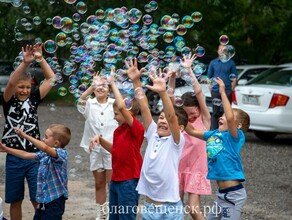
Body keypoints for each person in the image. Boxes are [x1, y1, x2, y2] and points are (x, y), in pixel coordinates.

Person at [125, 58, 188, 219]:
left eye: (165, 119)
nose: (162, 121)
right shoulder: (152, 133)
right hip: (149, 207)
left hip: (170, 209)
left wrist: (163, 92)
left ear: (180, 129)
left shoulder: (176, 142)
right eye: (160, 117)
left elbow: (172, 117)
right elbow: (144, 106)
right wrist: (136, 81)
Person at [1, 43, 56, 220]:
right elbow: (10, 82)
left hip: (35, 157)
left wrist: (40, 58)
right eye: (20, 87)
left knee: (37, 199)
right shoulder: (8, 101)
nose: (24, 90)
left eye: (27, 87)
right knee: (15, 200)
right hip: (14, 158)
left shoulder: (34, 99)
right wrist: (25, 63)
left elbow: (51, 80)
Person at [185, 77, 250, 220]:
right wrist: (177, 111)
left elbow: (231, 118)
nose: (221, 117)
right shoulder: (213, 134)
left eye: (225, 115)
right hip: (221, 194)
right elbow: (191, 131)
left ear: (237, 126)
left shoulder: (235, 137)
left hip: (233, 194)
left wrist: (222, 92)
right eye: (221, 115)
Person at [90, 72, 144, 220]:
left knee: (127, 217)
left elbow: (121, 106)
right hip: (116, 179)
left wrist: (112, 83)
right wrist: (100, 140)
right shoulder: (118, 130)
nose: (114, 116)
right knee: (113, 217)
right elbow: (115, 150)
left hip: (129, 181)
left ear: (129, 113)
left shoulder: (136, 128)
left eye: (117, 114)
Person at [169, 54, 212, 220]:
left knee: (193, 209)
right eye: (186, 114)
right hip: (178, 169)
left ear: (199, 108)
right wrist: (172, 78)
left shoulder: (205, 120)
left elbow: (199, 93)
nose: (190, 117)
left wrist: (188, 70)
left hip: (196, 171)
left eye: (192, 112)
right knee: (175, 208)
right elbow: (170, 100)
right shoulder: (182, 122)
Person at [0, 124, 71, 220]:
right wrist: (6, 149)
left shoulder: (62, 154)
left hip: (55, 203)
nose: (42, 139)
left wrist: (25, 136)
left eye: (46, 137)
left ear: (56, 143)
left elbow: (45, 148)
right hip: (43, 202)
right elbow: (26, 155)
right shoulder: (44, 154)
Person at [79, 73, 118, 219]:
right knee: (99, 183)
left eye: (104, 85)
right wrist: (91, 87)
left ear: (109, 89)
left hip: (112, 149)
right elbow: (80, 101)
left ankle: (113, 213)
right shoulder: (89, 104)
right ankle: (101, 214)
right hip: (95, 150)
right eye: (97, 85)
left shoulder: (114, 104)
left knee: (112, 183)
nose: (100, 88)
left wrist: (112, 82)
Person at [207, 44, 237, 130]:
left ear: (226, 51)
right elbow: (209, 76)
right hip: (216, 90)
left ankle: (226, 130)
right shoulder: (213, 62)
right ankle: (213, 130)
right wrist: (210, 87)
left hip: (227, 90)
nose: (222, 51)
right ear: (217, 51)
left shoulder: (231, 63)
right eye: (220, 49)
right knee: (215, 112)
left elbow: (234, 77)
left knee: (227, 111)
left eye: (224, 50)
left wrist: (231, 89)